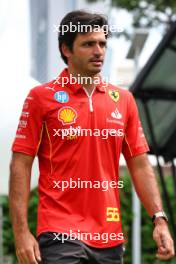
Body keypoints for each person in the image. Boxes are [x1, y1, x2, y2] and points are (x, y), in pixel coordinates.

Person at [9, 10, 175, 264]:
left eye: (102, 43)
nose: (98, 51)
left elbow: (140, 165)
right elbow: (20, 164)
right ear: (66, 49)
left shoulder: (124, 100)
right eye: (88, 44)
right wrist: (21, 233)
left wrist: (159, 219)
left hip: (110, 237)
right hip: (60, 233)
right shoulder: (41, 98)